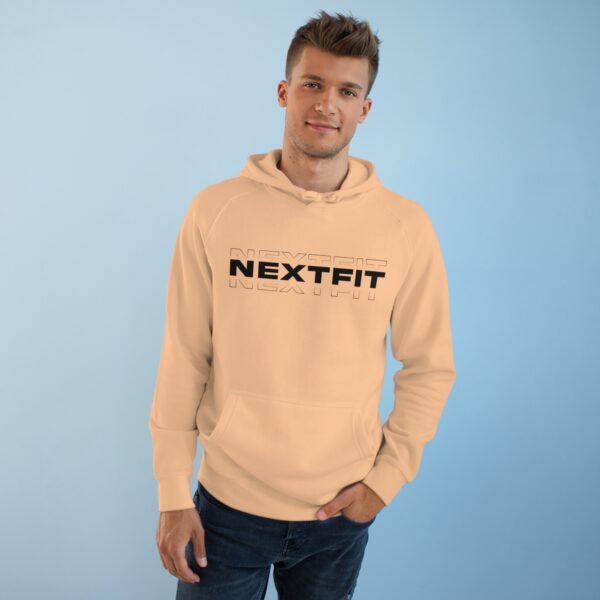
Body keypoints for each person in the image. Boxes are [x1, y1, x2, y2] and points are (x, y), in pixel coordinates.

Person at [149, 9, 457, 599]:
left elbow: (430, 366)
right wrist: (170, 491)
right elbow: (185, 355)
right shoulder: (216, 211)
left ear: (365, 108)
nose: (326, 105)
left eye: (347, 91)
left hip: (339, 512)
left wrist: (384, 482)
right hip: (226, 509)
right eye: (312, 84)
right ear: (284, 92)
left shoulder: (404, 227)